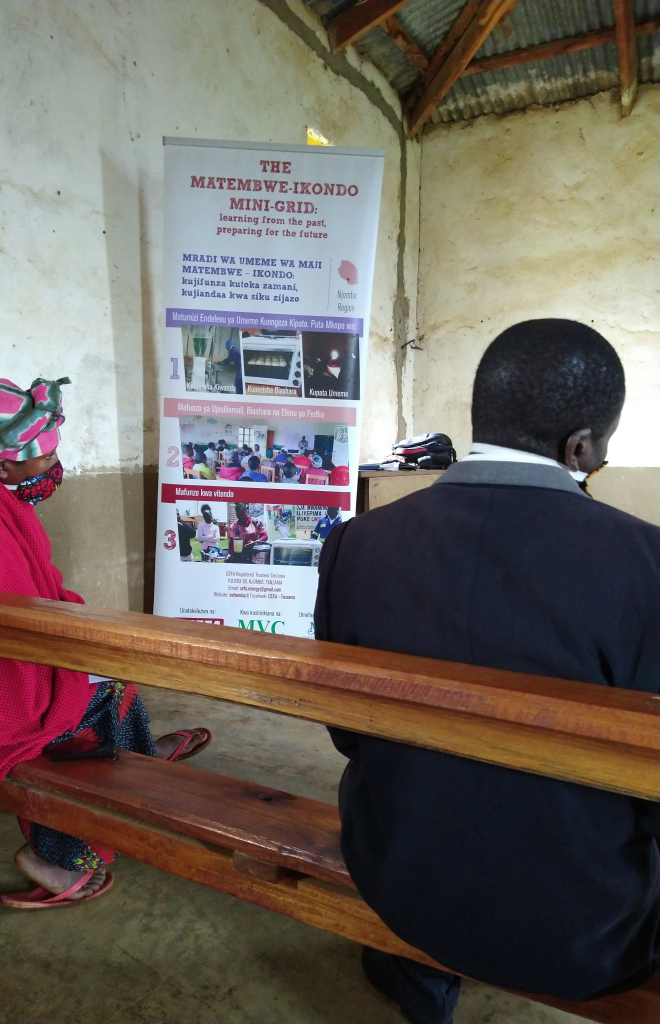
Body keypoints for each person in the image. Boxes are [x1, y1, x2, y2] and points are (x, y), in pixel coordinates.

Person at [315, 320, 660, 1023]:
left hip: (399, 884)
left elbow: (350, 733)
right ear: (581, 447)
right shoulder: (644, 565)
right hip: (590, 935)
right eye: (605, 444)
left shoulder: (358, 542)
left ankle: (419, 976)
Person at [0, 377, 212, 909]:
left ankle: (136, 755)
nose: (53, 465)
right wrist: (86, 645)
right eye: (44, 458)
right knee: (100, 688)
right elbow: (18, 630)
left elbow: (23, 603)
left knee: (104, 660)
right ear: (1, 467)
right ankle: (60, 857)